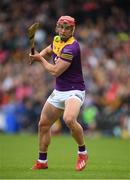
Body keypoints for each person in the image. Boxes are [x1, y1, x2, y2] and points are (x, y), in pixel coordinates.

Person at [29, 15, 88, 171]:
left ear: (72, 30)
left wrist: (40, 61)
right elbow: (49, 50)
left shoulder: (72, 47)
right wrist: (38, 56)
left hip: (74, 90)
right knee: (43, 124)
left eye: (67, 28)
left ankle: (82, 151)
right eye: (61, 27)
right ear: (57, 27)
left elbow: (55, 71)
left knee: (69, 119)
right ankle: (42, 161)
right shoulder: (56, 40)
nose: (63, 30)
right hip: (59, 91)